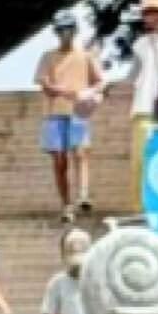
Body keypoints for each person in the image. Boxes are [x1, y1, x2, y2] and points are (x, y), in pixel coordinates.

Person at [35, 14, 106, 221]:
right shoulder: (48, 57)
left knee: (81, 152)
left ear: (74, 31)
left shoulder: (85, 55)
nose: (64, 34)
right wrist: (59, 89)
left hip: (78, 110)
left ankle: (83, 194)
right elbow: (43, 82)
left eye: (68, 29)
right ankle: (66, 203)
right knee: (60, 160)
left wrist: (89, 93)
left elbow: (100, 81)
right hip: (54, 112)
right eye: (60, 30)